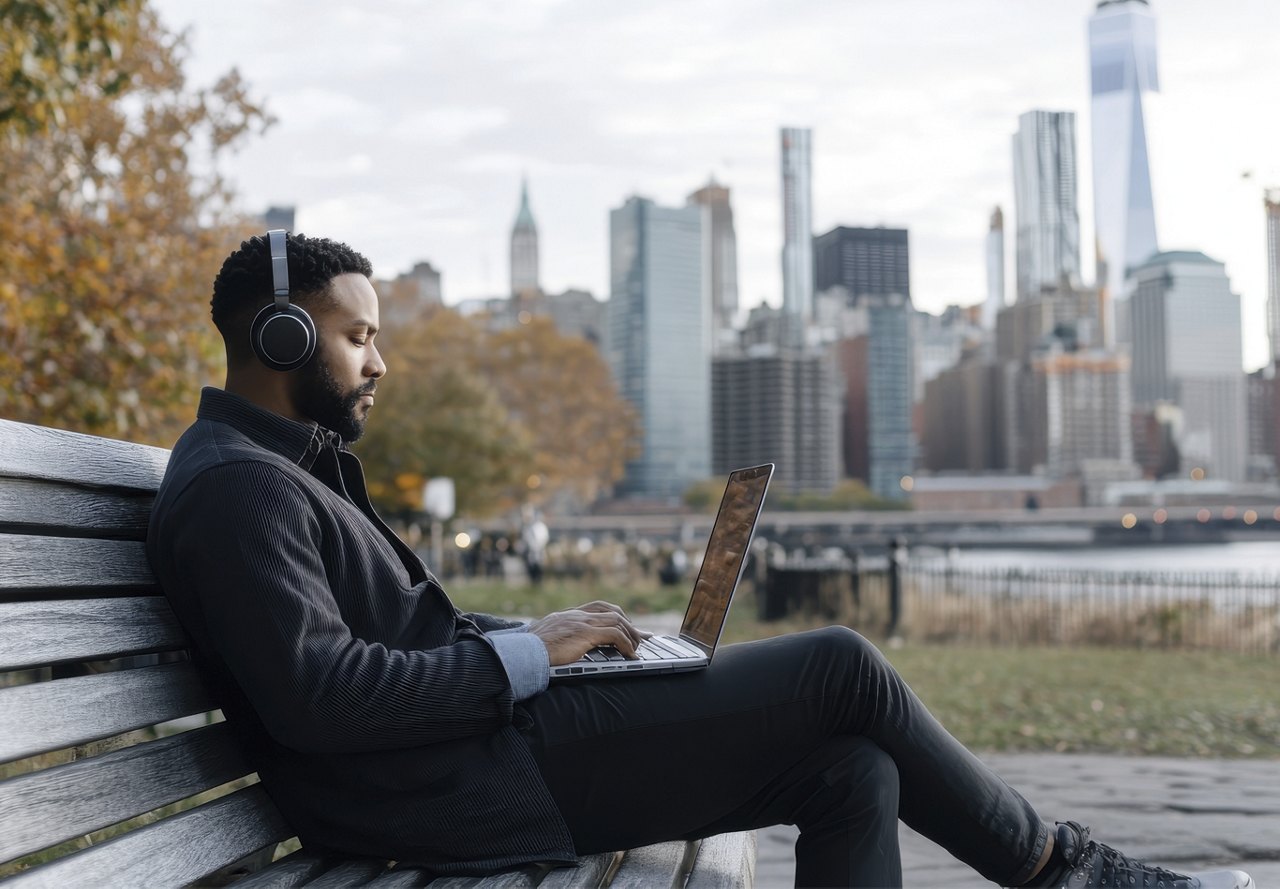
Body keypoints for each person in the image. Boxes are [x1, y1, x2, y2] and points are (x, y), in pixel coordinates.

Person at [146, 233, 1254, 889]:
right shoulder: (239, 488)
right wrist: (531, 651)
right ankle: (1061, 868)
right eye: (356, 336)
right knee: (836, 665)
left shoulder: (279, 465)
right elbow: (324, 697)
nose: (378, 360)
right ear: (280, 338)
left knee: (848, 770)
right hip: (450, 789)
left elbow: (384, 648)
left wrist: (548, 643)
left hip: (474, 755)